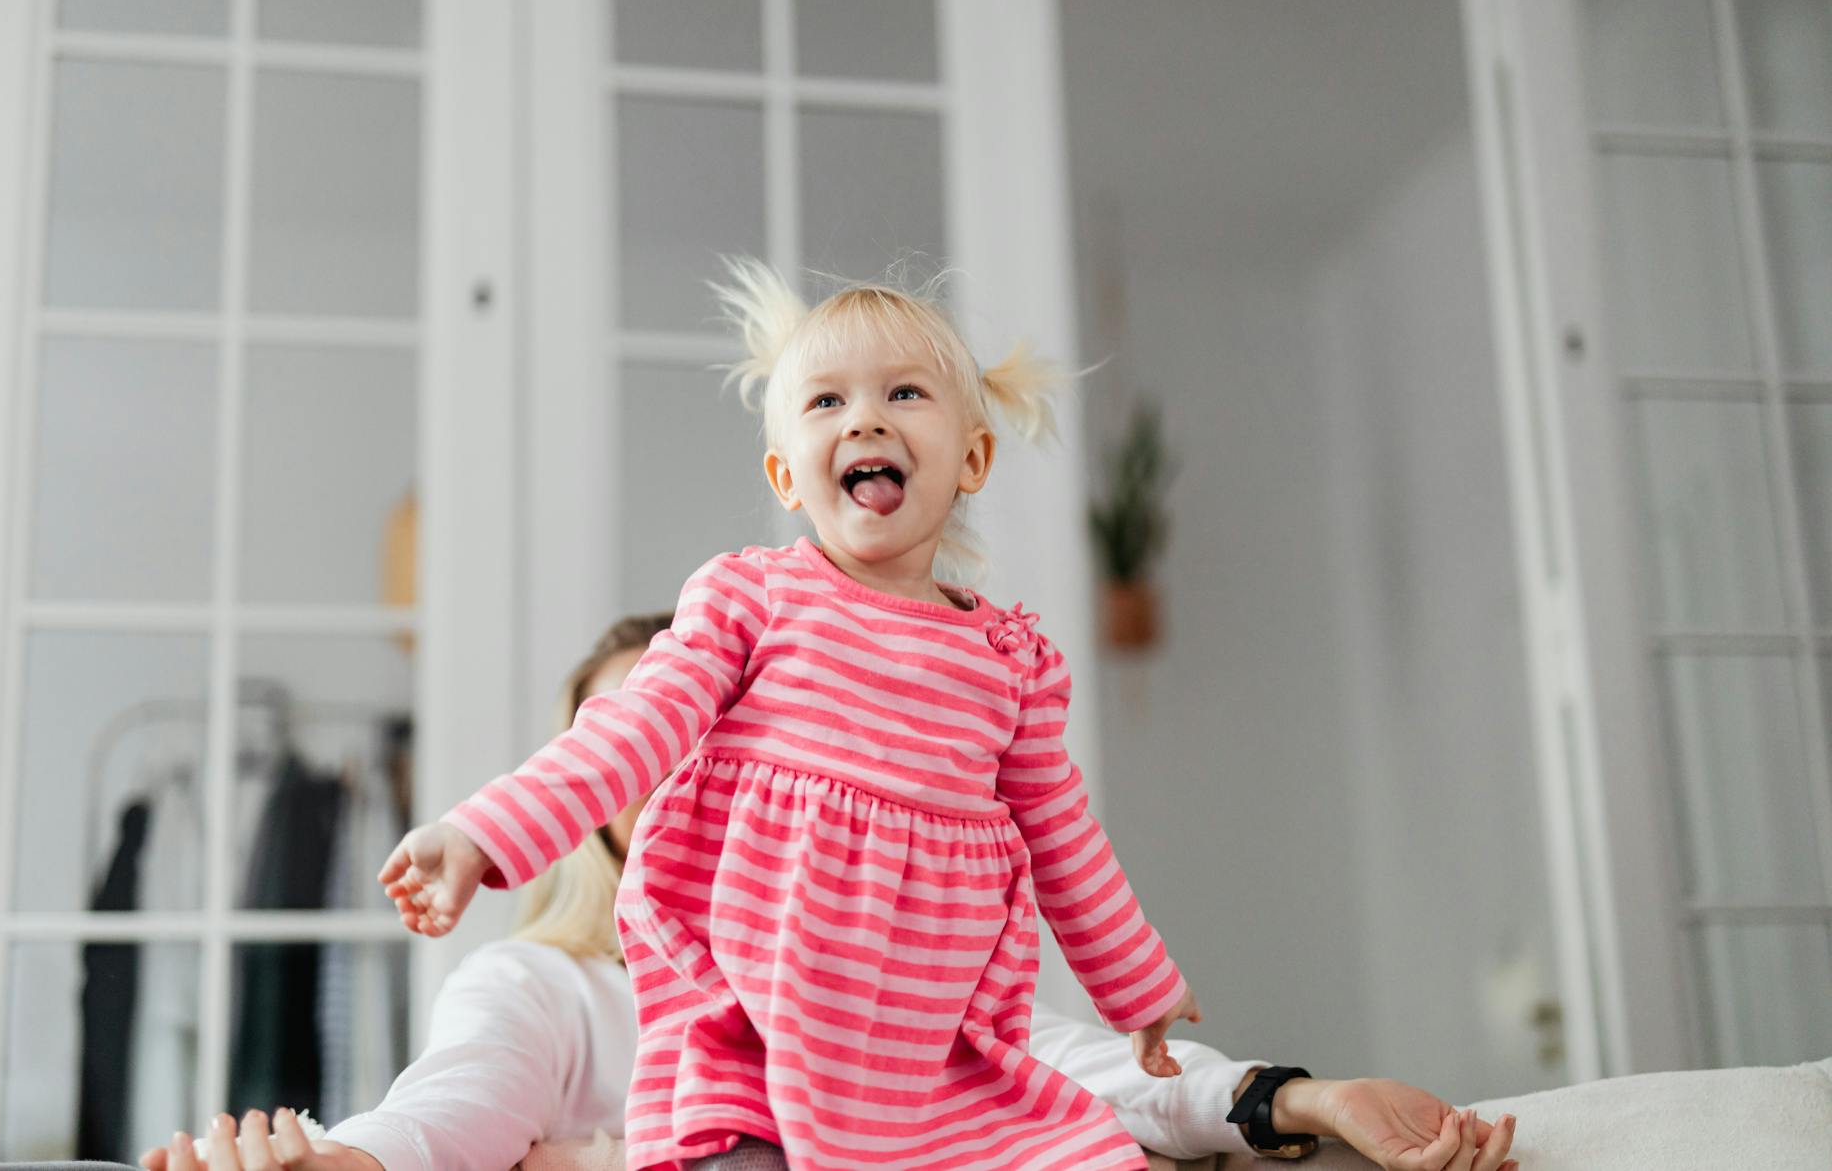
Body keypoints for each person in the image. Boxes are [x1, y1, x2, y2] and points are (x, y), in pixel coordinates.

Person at [376, 261, 1519, 1171]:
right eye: (826, 401)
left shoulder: (1005, 657)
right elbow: (627, 735)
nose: (863, 417)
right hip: (759, 1019)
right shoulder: (748, 599)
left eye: (902, 392)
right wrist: (479, 835)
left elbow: (1062, 834)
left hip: (926, 1035)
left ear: (969, 454)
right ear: (786, 473)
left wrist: (1139, 990)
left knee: (1065, 1142)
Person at [145, 615, 1516, 1171]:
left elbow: (1077, 1064)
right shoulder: (543, 988)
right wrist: (348, 1159)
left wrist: (1297, 1098)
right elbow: (458, 1103)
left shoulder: (889, 970)